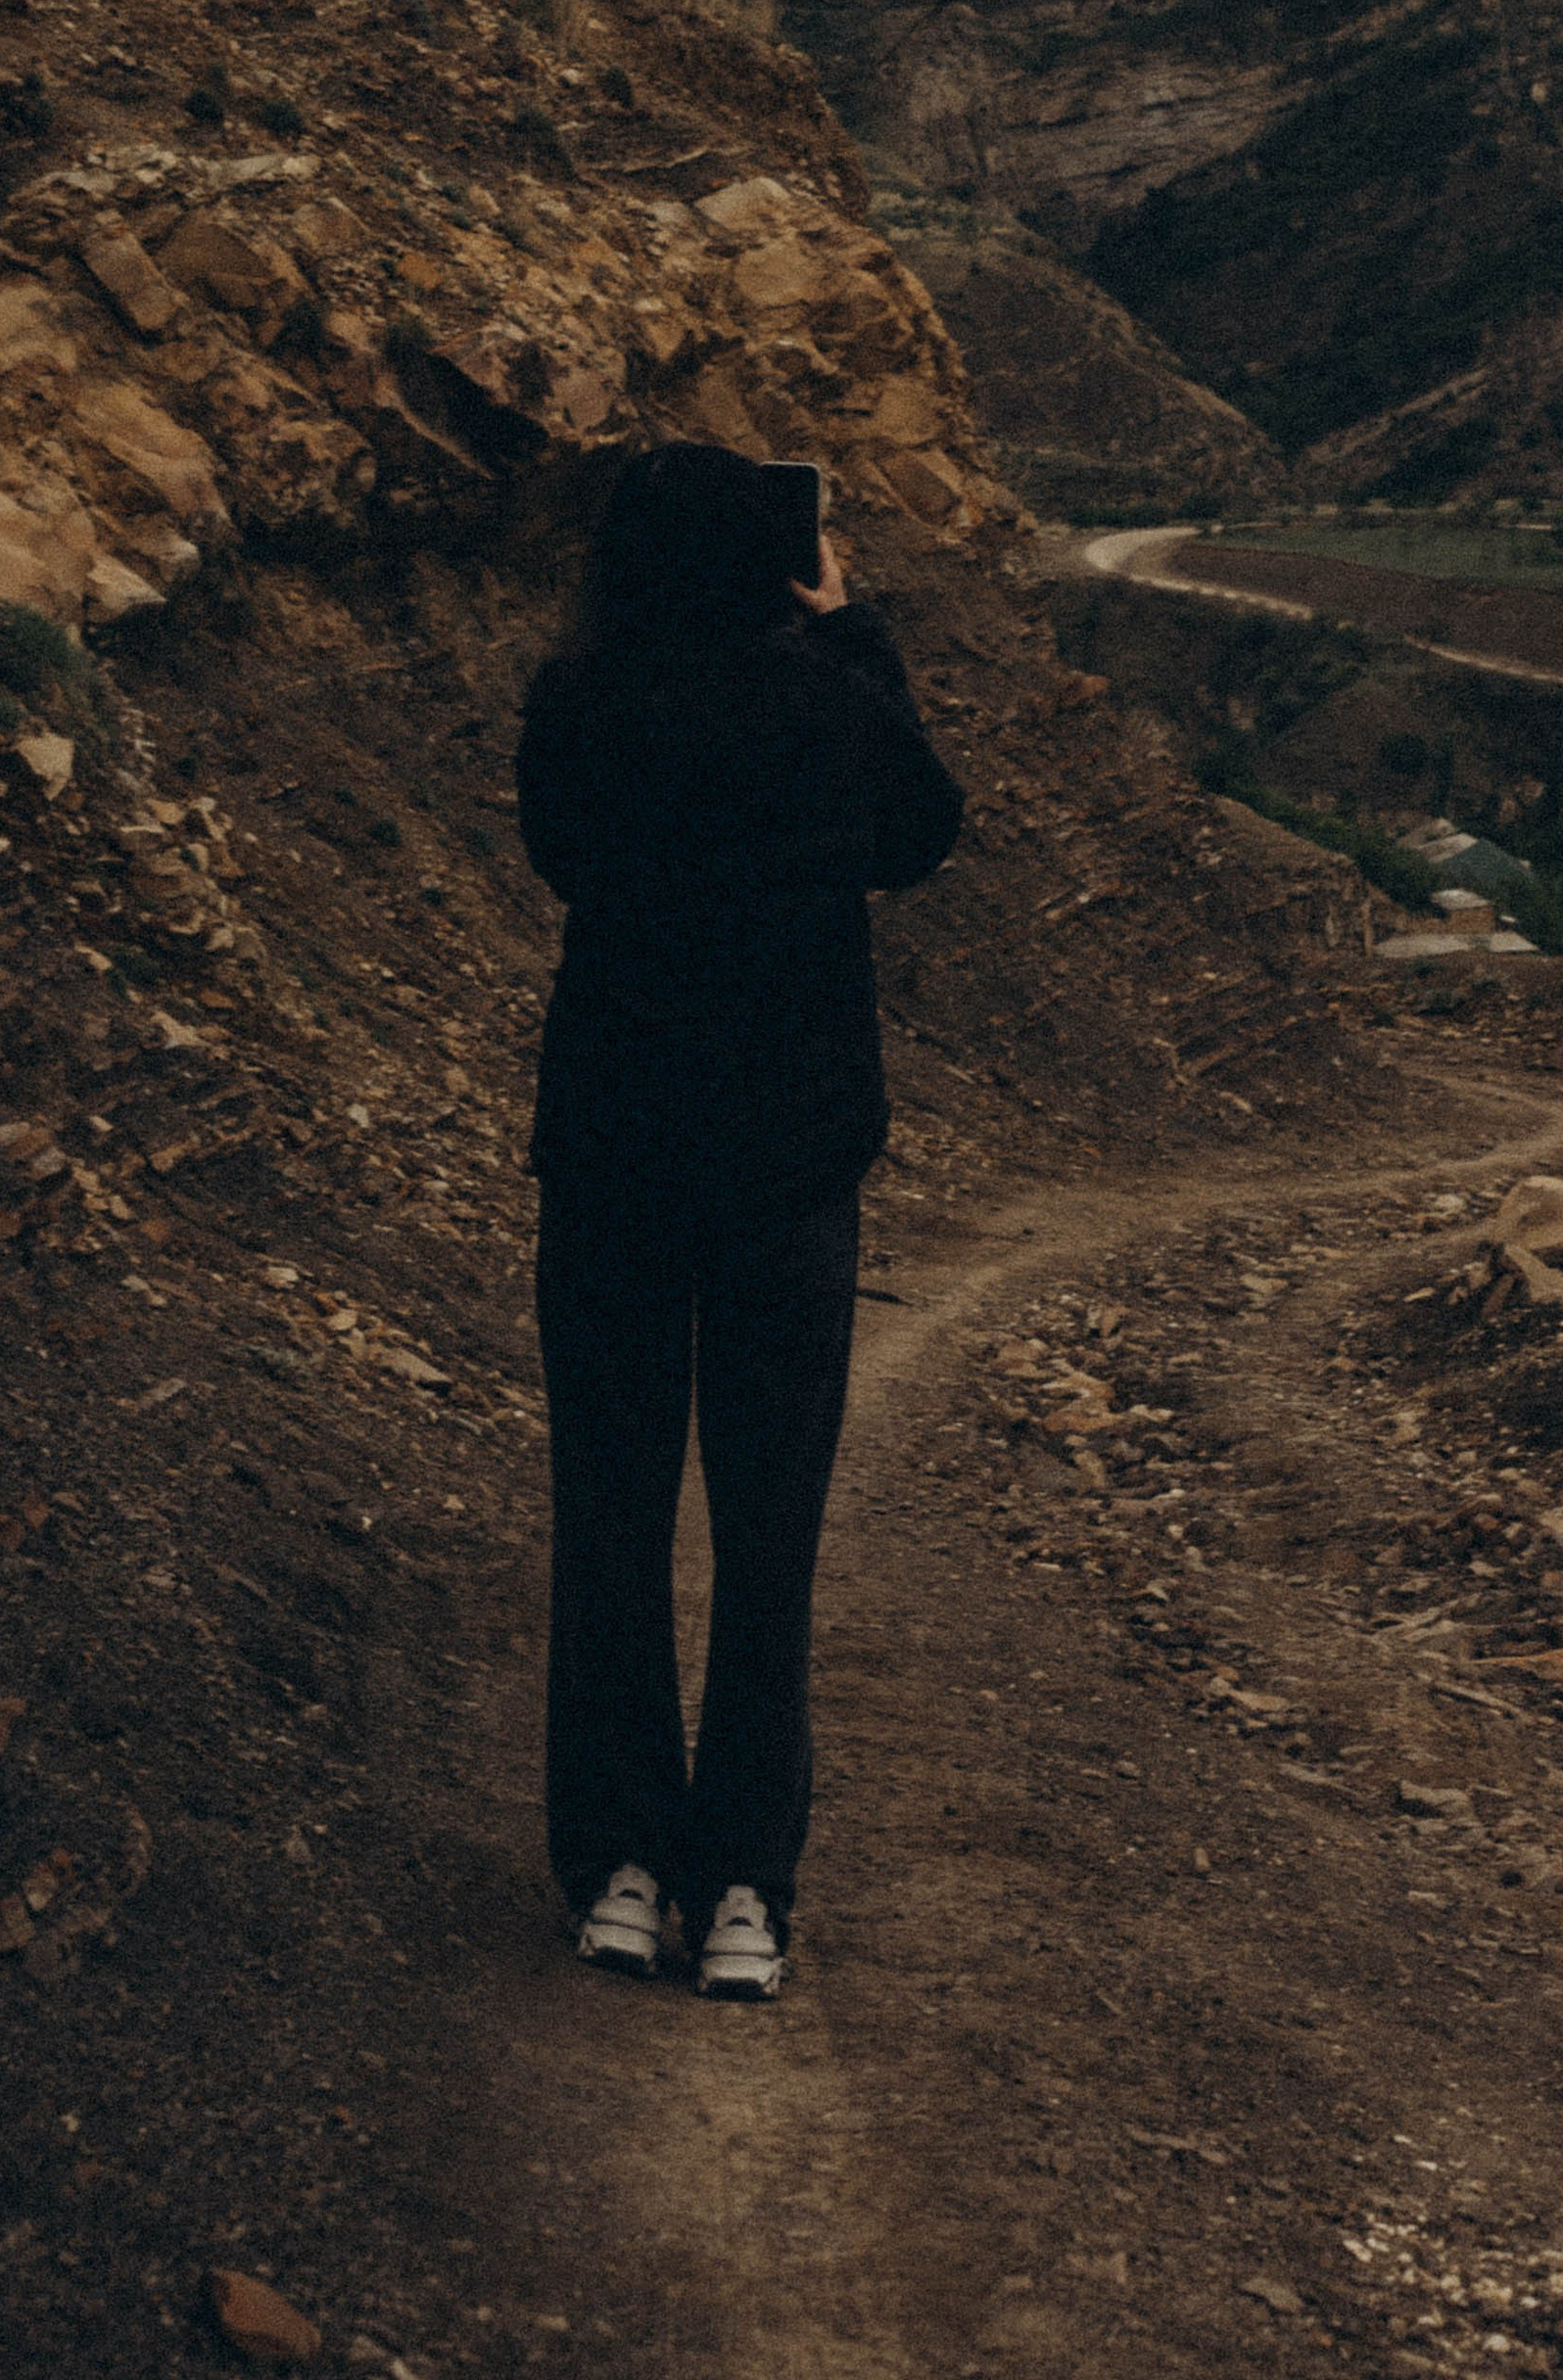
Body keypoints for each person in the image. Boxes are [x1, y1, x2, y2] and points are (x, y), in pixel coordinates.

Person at [515, 441, 964, 1999]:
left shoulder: (574, 703)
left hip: (614, 1161)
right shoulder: (823, 703)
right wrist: (850, 631)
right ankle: (748, 1895)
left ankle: (621, 1868)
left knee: (613, 1520)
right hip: (787, 1173)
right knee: (771, 1543)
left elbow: (556, 854)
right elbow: (925, 826)